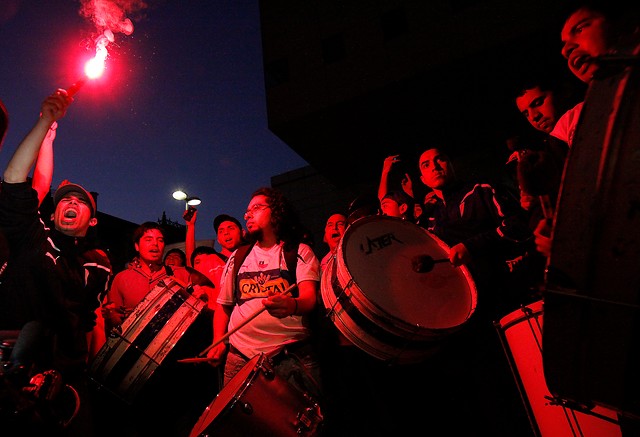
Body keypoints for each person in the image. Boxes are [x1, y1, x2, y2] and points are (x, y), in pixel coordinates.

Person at [0, 89, 112, 436]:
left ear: (92, 220)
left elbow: (88, 320)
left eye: (81, 202)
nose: (72, 203)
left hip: (65, 382)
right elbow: (16, 180)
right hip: (12, 375)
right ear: (53, 210)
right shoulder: (33, 236)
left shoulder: (98, 265)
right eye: (65, 199)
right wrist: (46, 122)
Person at [412, 146, 534, 436]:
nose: (435, 166)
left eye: (440, 158)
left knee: (517, 382)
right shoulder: (429, 218)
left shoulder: (481, 190)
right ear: (422, 177)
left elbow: (519, 225)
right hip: (462, 319)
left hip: (501, 302)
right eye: (427, 164)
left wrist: (472, 247)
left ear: (451, 162)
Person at [205, 187, 323, 408]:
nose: (248, 215)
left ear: (276, 212)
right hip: (239, 355)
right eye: (247, 211)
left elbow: (309, 298)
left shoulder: (299, 251)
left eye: (256, 208)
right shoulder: (237, 257)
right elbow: (223, 307)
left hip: (289, 357)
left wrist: (291, 304)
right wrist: (218, 342)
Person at [96, 221, 216, 437]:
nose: (155, 244)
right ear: (136, 246)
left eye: (160, 240)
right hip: (138, 366)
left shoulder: (180, 273)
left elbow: (210, 294)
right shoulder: (121, 279)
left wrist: (203, 294)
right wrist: (112, 317)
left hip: (176, 365)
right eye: (148, 239)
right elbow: (113, 326)